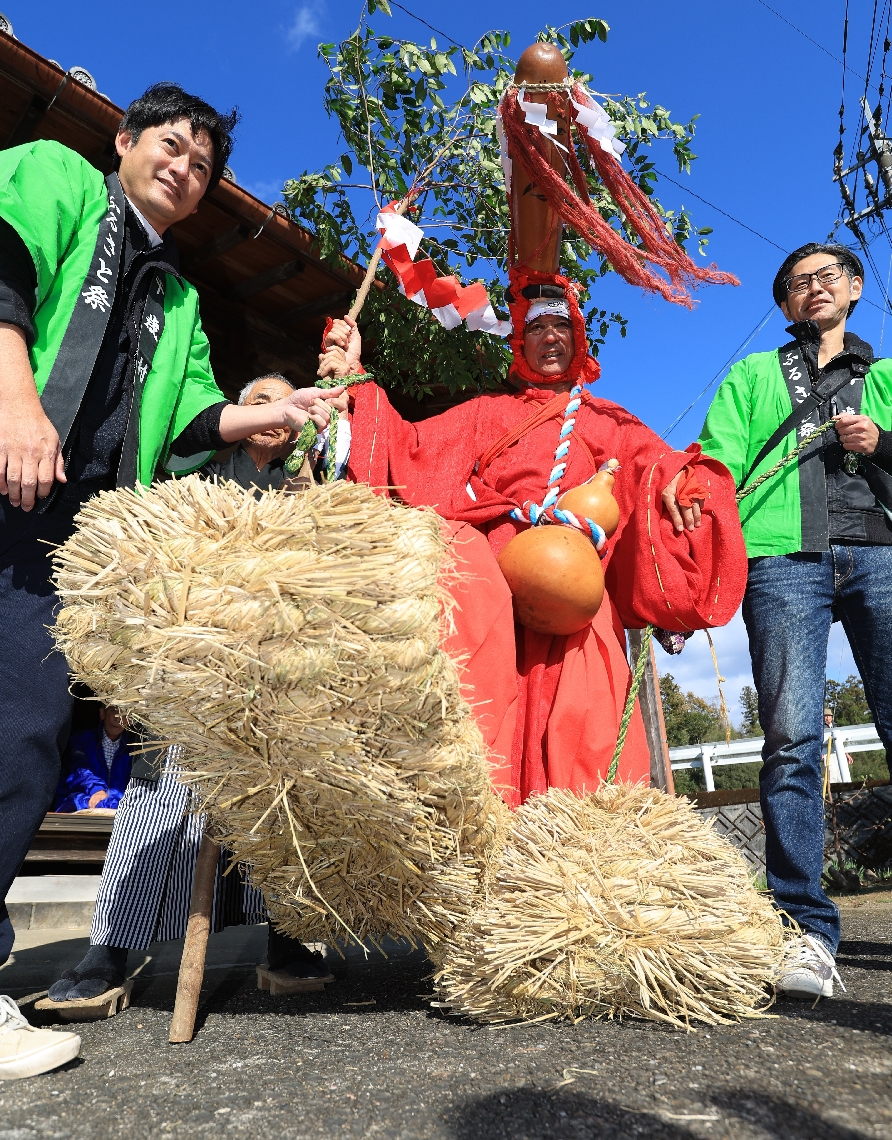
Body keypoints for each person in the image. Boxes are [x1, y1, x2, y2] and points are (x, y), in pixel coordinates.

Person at [0, 84, 341, 1077]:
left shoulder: (179, 294)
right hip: (13, 468)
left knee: (23, 734)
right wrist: (16, 403)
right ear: (123, 141)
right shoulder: (57, 175)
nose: (184, 167)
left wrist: (265, 415)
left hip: (70, 527)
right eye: (171, 145)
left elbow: (190, 414)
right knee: (12, 728)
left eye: (203, 162)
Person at [324, 268, 747, 806]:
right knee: (481, 700)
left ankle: (581, 847)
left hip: (575, 591)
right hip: (494, 582)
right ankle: (477, 823)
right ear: (519, 342)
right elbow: (410, 453)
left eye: (561, 327)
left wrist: (685, 479)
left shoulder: (610, 422)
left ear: (578, 339)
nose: (550, 337)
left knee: (587, 718)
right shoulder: (487, 412)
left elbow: (658, 467)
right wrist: (355, 377)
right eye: (537, 329)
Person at [44, 373, 342, 1014]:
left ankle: (285, 942)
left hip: (270, 674)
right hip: (186, 668)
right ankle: (110, 951)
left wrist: (314, 492)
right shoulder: (194, 468)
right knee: (157, 803)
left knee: (275, 803)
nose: (271, 412)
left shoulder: (304, 478)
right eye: (257, 399)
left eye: (282, 402)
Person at [697, 242, 892, 999]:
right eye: (796, 284)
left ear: (853, 288)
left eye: (825, 278)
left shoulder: (884, 378)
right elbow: (717, 467)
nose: (812, 290)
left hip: (880, 552)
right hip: (780, 559)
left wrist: (884, 444)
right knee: (791, 739)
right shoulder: (752, 375)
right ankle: (806, 929)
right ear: (783, 306)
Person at [52, 705, 133, 813]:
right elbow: (79, 769)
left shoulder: (133, 749)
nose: (118, 717)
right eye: (114, 711)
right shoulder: (81, 740)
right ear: (102, 713)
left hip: (116, 809)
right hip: (80, 804)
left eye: (124, 713)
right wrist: (97, 790)